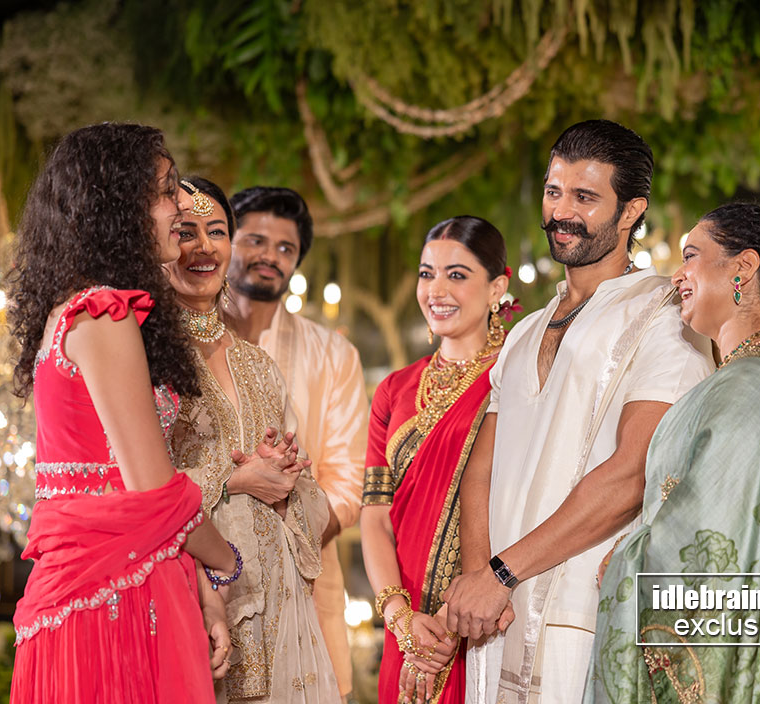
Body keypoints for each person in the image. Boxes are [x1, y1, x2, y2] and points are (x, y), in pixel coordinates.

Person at [444, 119, 714, 702]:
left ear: (631, 211)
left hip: (584, 616)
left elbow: (633, 473)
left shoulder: (664, 316)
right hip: (495, 618)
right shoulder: (523, 333)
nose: (561, 212)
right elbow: (480, 471)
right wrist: (478, 582)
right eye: (553, 191)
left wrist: (501, 572)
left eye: (585, 197)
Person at [584, 202, 760, 702]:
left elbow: (707, 541)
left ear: (743, 268)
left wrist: (626, 559)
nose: (677, 275)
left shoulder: (750, 386)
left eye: (691, 255)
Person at [7, 124, 240, 703]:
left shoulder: (70, 312)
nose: (181, 204)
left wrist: (202, 587)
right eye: (164, 191)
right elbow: (154, 487)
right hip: (118, 593)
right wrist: (227, 563)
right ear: (116, 208)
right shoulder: (103, 314)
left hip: (98, 583)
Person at [165, 176, 340, 703]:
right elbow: (133, 483)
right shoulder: (148, 355)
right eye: (186, 232)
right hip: (192, 591)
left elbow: (307, 496)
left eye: (217, 231)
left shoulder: (258, 365)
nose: (204, 246)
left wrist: (284, 478)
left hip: (276, 604)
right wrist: (237, 477)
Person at [223, 186, 370, 701]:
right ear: (224, 241)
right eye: (255, 240)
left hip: (303, 590)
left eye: (285, 248)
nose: (270, 256)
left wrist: (281, 539)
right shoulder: (181, 345)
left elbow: (348, 484)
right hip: (201, 581)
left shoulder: (333, 355)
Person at [362, 216, 512, 704]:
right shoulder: (394, 390)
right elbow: (375, 514)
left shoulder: (516, 378)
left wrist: (452, 621)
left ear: (496, 289)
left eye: (457, 275)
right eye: (427, 274)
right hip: (406, 628)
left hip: (482, 617)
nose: (436, 290)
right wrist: (399, 618)